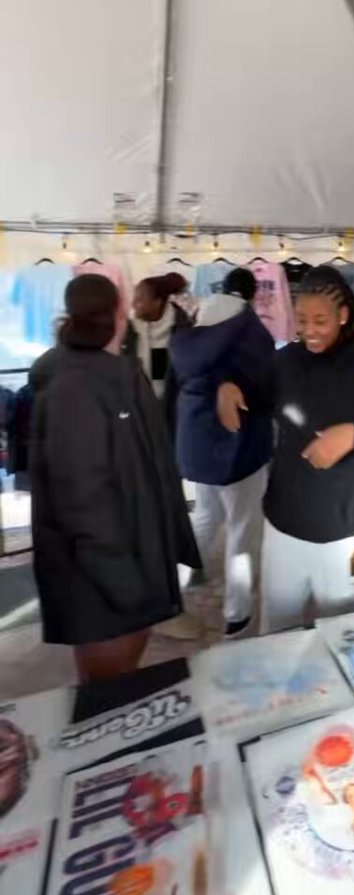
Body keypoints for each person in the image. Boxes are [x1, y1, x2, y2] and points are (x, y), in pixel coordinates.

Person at [217, 266, 354, 632]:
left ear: (343, 315)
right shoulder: (284, 362)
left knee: (349, 638)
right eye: (302, 320)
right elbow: (253, 392)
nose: (310, 331)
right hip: (283, 532)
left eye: (320, 321)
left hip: (347, 536)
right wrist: (230, 388)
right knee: (277, 632)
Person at [29, 274, 201, 683]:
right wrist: (126, 584)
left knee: (120, 678)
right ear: (117, 315)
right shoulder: (74, 387)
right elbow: (81, 502)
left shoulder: (111, 372)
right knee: (109, 686)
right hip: (107, 575)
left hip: (131, 556)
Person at [171, 268, 275, 638]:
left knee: (204, 517)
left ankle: (171, 594)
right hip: (238, 447)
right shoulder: (252, 332)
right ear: (251, 294)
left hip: (196, 442)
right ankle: (237, 615)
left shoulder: (193, 326)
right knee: (243, 532)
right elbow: (265, 388)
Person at [125, 272, 192, 434]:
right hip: (136, 419)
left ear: (157, 303)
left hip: (172, 422)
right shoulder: (129, 331)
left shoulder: (183, 331)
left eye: (140, 299)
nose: (133, 304)